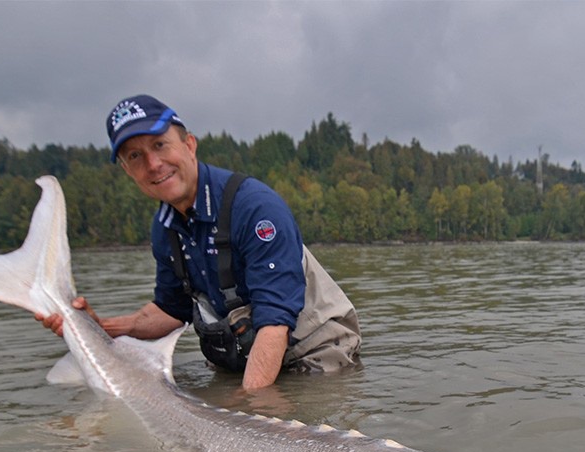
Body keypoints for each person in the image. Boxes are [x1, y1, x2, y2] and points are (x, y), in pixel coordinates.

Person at [38, 94, 360, 390]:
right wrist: (99, 326)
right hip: (244, 358)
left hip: (315, 355)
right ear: (127, 171)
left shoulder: (254, 207)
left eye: (161, 145)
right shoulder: (164, 228)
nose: (153, 164)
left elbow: (274, 323)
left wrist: (248, 408)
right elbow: (171, 310)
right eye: (136, 156)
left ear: (189, 144)